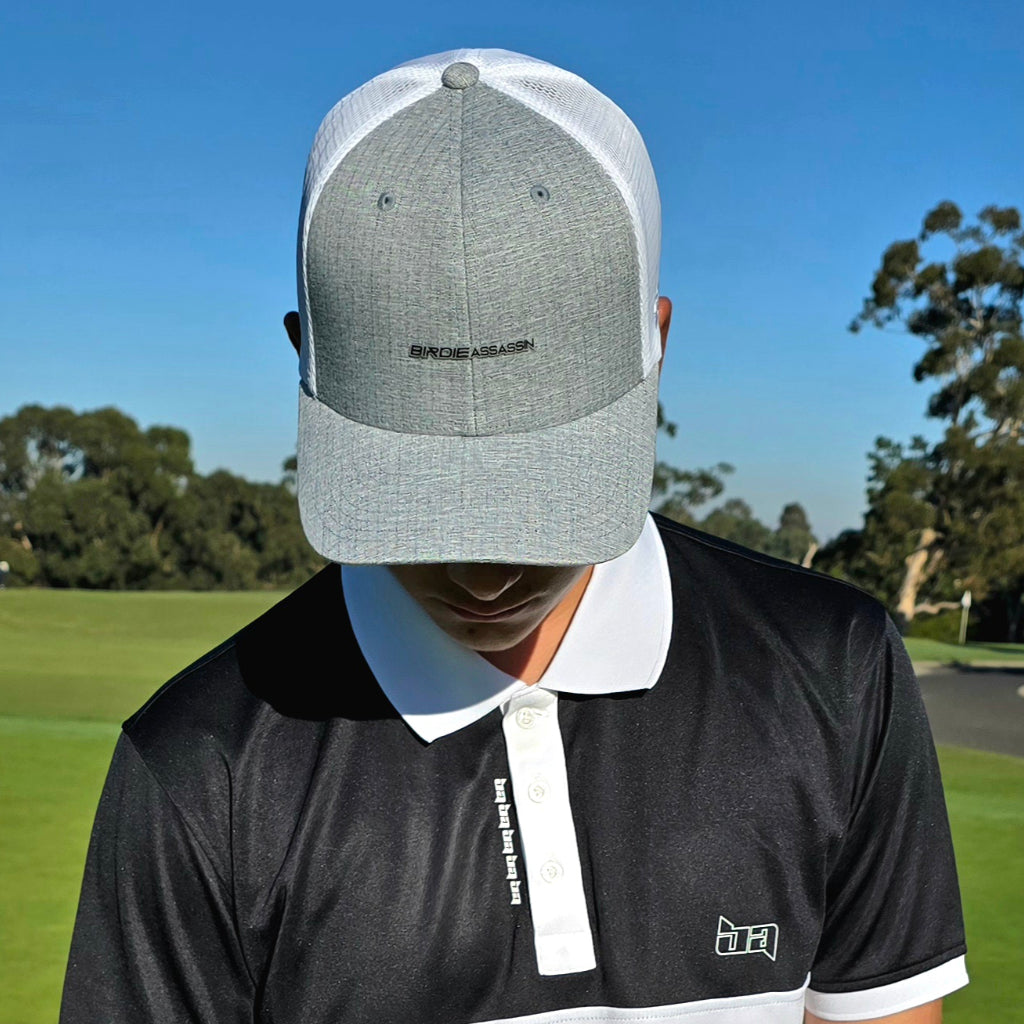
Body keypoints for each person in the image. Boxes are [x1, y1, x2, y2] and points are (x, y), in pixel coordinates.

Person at [59, 48, 968, 1024]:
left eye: (544, 487)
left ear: (654, 341)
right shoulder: (198, 767)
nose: (483, 571)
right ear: (304, 360)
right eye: (413, 488)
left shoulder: (834, 671)